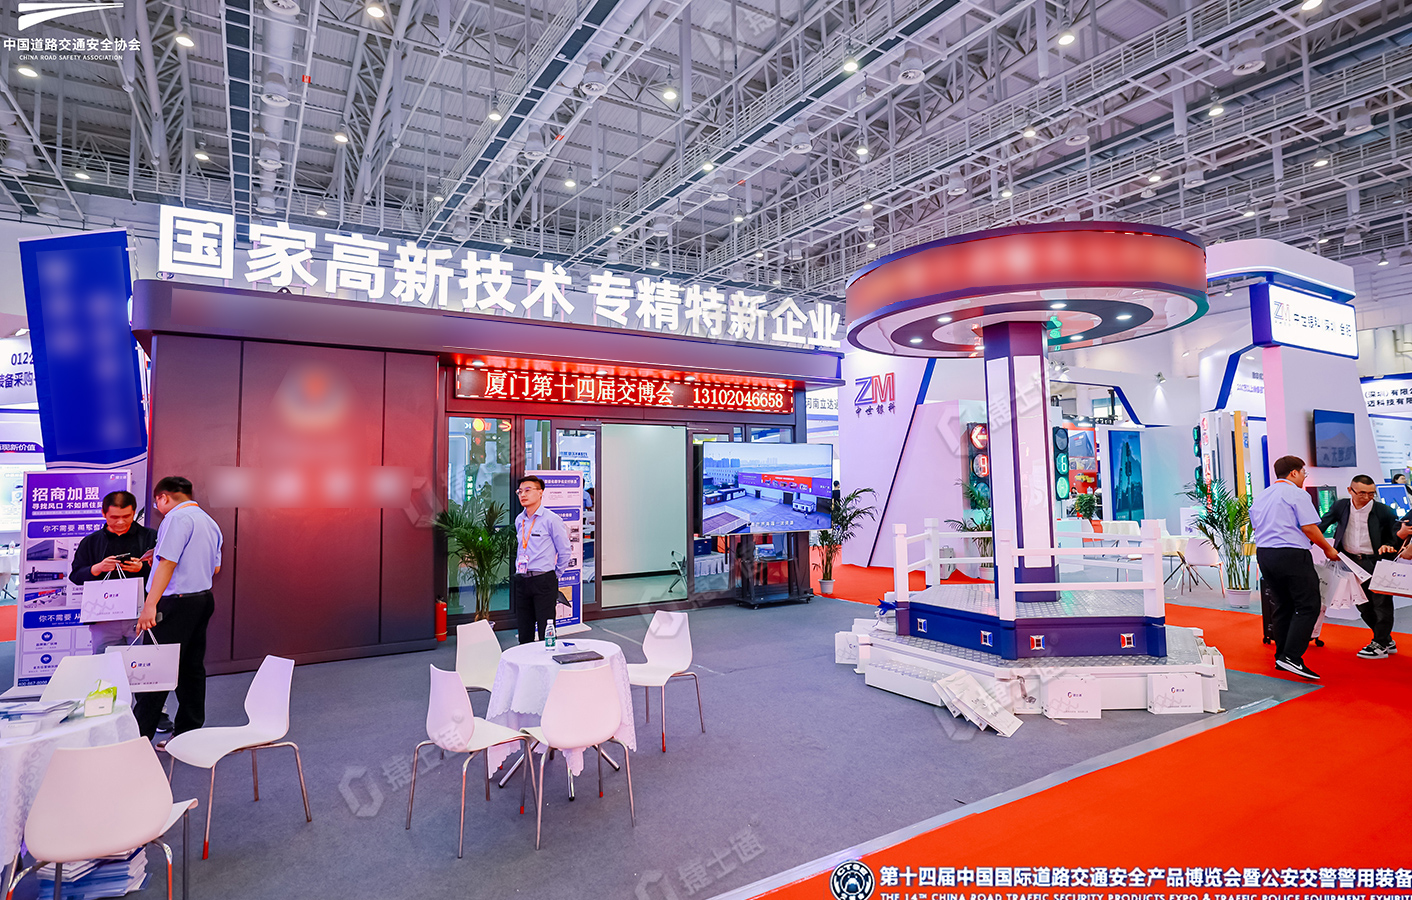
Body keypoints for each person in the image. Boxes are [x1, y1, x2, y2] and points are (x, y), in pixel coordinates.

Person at [134, 476, 224, 739]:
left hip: (174, 604)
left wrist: (150, 605)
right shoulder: (209, 521)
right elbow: (215, 567)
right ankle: (188, 733)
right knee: (191, 669)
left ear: (163, 497)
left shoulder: (175, 518)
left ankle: (140, 737)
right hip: (201, 600)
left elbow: (168, 563)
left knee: (154, 670)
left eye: (157, 502)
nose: (158, 507)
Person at [1250, 455, 1339, 680]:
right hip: (1291, 554)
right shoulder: (1296, 494)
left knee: (1283, 604)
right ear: (1294, 472)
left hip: (1265, 554)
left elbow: (1256, 527)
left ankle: (1282, 656)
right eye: (1303, 473)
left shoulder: (1262, 495)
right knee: (1309, 605)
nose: (1304, 478)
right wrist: (1328, 549)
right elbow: (1309, 528)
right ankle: (1292, 656)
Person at [1317, 475, 1400, 658]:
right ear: (1350, 490)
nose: (1367, 497)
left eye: (1371, 493)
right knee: (1362, 604)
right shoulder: (1341, 506)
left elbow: (1395, 535)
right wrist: (1311, 541)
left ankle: (1380, 643)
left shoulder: (1383, 510)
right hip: (1350, 562)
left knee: (1381, 603)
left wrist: (1389, 545)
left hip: (1376, 562)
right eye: (1362, 493)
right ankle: (1385, 639)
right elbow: (1322, 525)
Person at [69, 491, 158, 653]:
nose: (121, 522)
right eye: (115, 517)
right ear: (104, 514)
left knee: (142, 661)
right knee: (105, 662)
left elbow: (167, 573)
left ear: (134, 512)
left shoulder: (150, 537)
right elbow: (75, 576)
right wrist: (98, 568)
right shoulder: (91, 541)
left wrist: (143, 568)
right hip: (104, 616)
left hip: (141, 613)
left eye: (127, 516)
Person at [512, 475, 570, 645]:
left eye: (528, 490)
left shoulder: (551, 519)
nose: (523, 494)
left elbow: (564, 551)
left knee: (547, 628)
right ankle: (525, 659)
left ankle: (548, 660)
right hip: (522, 579)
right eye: (520, 491)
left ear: (540, 493)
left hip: (543, 580)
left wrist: (554, 574)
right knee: (524, 629)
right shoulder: (519, 519)